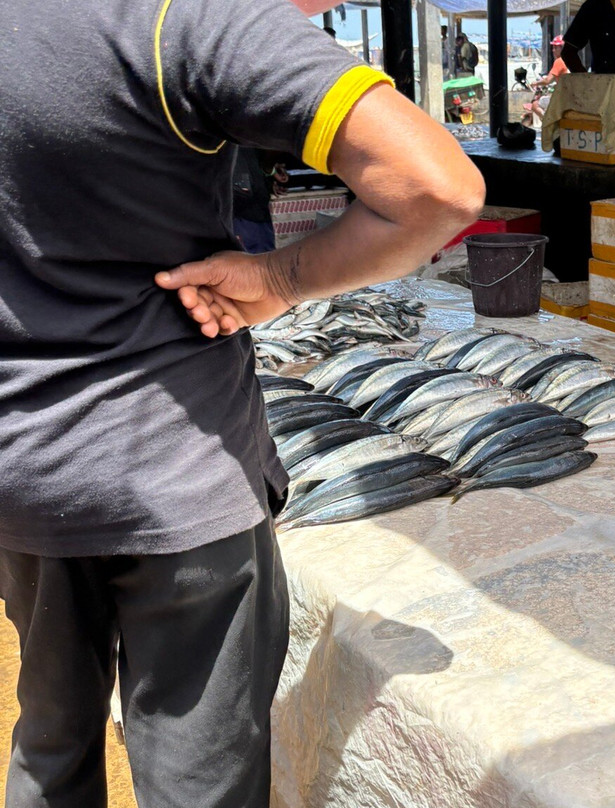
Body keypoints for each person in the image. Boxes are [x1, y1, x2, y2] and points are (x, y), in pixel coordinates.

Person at [0, 1, 484, 807]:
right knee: (200, 779)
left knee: (49, 742)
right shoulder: (186, 21)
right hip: (174, 476)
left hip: (22, 471)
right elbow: (439, 189)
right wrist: (281, 279)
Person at [523, 35, 570, 123]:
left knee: (535, 104)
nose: (553, 50)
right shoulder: (570, 60)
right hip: (570, 96)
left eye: (556, 47)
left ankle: (548, 123)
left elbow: (547, 80)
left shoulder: (559, 61)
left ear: (562, 48)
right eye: (553, 47)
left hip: (562, 98)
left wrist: (535, 83)